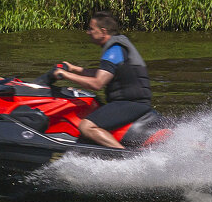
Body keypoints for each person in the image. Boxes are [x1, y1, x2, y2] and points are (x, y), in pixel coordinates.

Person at [52, 11, 152, 148]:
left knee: (86, 126)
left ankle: (123, 157)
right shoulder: (117, 47)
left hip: (130, 103)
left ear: (103, 31)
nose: (88, 32)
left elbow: (97, 83)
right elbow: (103, 73)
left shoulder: (114, 50)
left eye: (91, 29)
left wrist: (65, 75)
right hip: (132, 102)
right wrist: (74, 69)